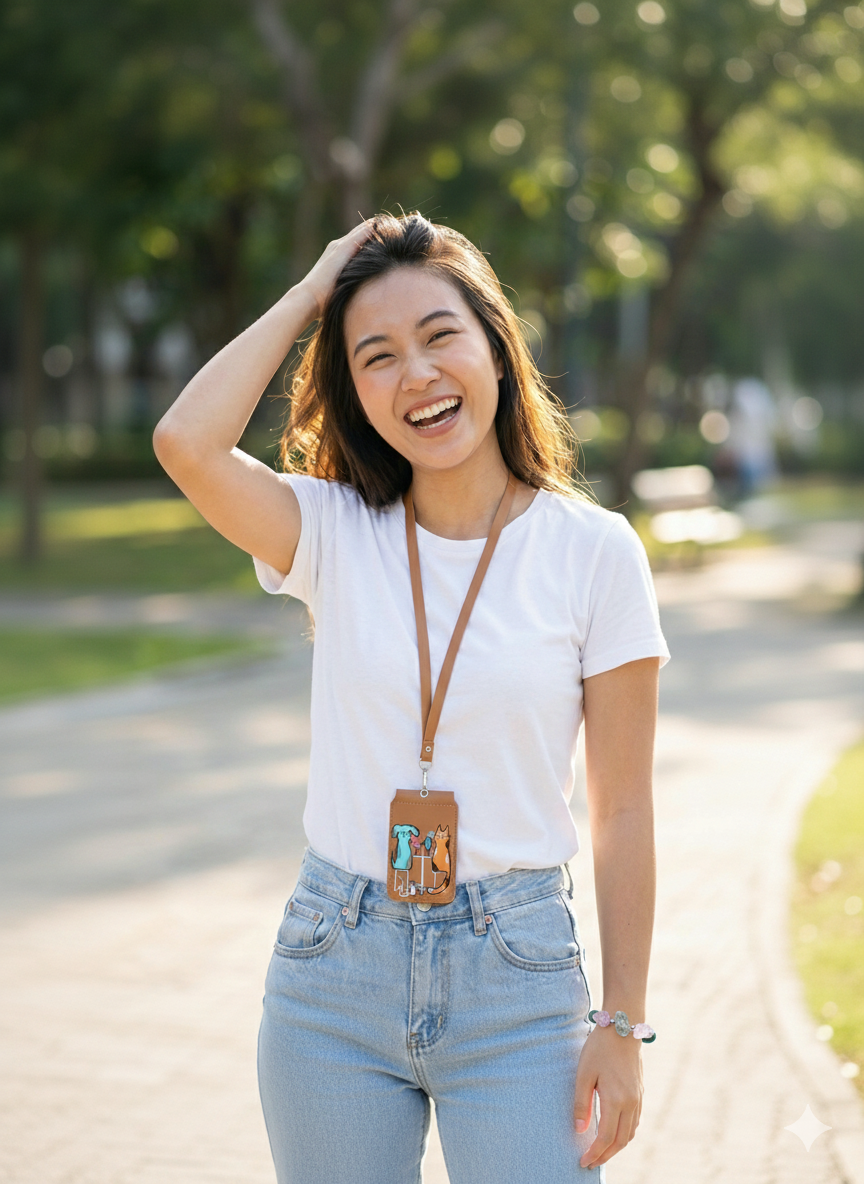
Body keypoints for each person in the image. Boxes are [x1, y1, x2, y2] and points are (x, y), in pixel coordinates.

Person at [153, 212, 671, 1184]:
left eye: (440, 336)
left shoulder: (593, 553)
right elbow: (185, 440)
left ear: (495, 346)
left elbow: (625, 807)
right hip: (333, 969)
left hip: (515, 975)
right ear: (353, 390)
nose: (417, 375)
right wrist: (314, 291)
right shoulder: (332, 530)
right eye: (376, 356)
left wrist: (621, 1021)